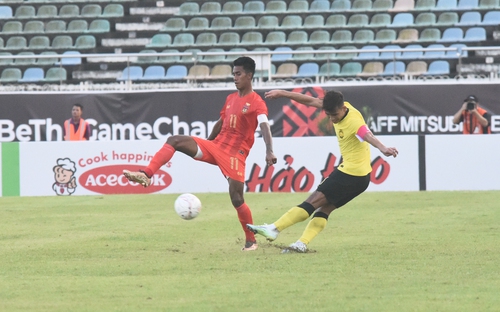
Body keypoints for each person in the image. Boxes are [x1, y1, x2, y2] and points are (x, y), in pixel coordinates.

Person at [122, 56, 277, 251]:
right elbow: (221, 122)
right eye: (233, 74)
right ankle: (146, 174)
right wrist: (208, 142)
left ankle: (251, 241)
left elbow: (264, 125)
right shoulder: (230, 99)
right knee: (175, 140)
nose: (235, 78)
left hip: (235, 155)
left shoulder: (256, 102)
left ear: (249, 75)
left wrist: (269, 150)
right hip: (216, 146)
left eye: (238, 74)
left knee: (237, 199)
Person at [247, 89, 399, 253]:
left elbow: (367, 134)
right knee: (325, 208)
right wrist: (283, 93)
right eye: (328, 115)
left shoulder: (354, 121)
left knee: (311, 202)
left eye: (334, 114)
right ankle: (301, 244)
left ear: (342, 108)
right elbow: (309, 100)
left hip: (350, 173)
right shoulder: (336, 106)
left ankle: (274, 229)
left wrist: (383, 148)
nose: (332, 119)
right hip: (361, 179)